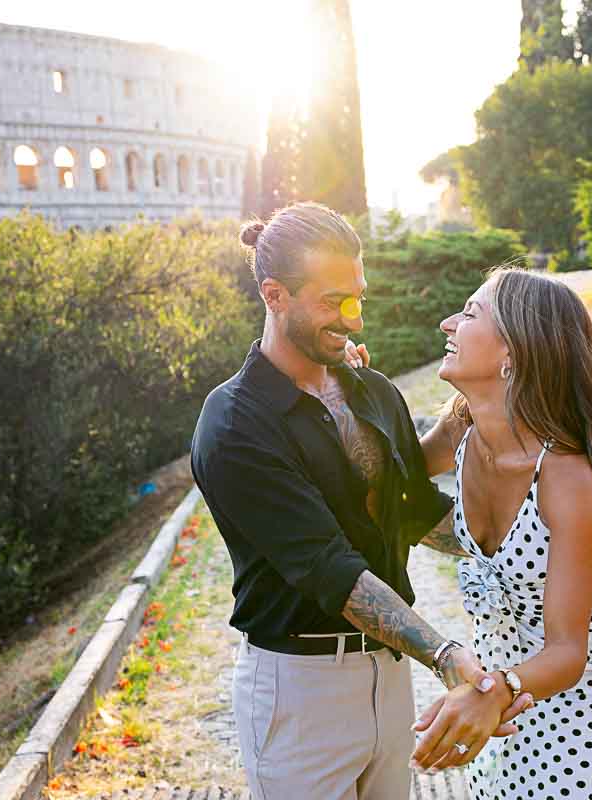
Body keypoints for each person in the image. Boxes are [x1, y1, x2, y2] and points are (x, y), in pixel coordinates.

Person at [190, 202, 530, 800]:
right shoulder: (234, 423)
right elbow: (330, 567)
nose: (354, 318)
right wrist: (447, 656)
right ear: (275, 295)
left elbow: (415, 512)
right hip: (298, 689)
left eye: (358, 297)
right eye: (333, 301)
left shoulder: (372, 390)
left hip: (390, 675)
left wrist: (533, 543)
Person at [370, 267, 592, 799]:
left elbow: (568, 651)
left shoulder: (566, 475)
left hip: (580, 692)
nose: (448, 322)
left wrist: (496, 690)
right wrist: (349, 383)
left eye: (471, 313)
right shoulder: (463, 426)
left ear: (514, 354)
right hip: (498, 686)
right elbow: (391, 472)